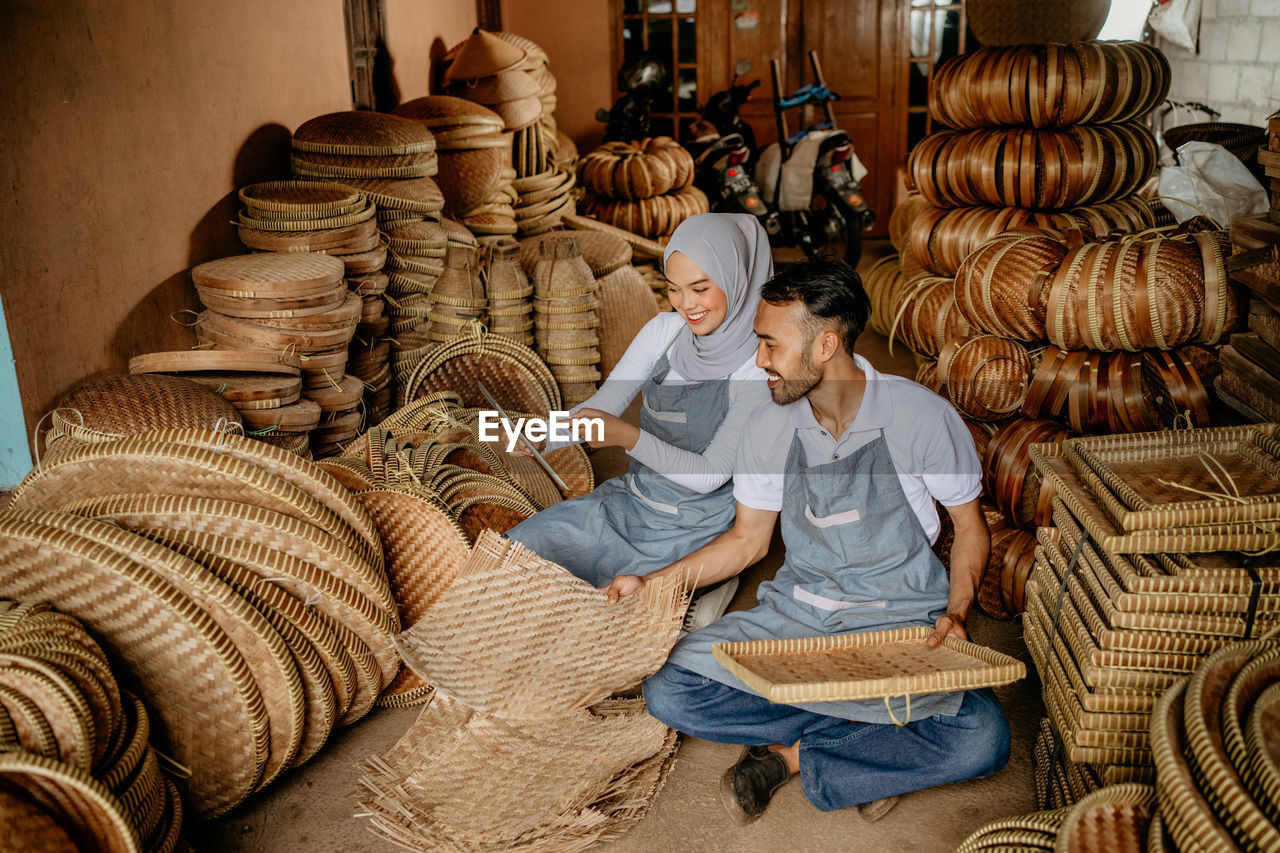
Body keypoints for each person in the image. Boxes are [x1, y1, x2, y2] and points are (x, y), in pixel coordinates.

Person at [607, 257, 1009, 823]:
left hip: (893, 621)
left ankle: (794, 756)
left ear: (825, 345)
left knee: (981, 736)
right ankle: (871, 739)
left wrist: (958, 610)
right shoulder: (767, 426)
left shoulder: (920, 417)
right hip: (798, 617)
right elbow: (748, 540)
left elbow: (969, 527)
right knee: (671, 689)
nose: (759, 360)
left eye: (771, 344)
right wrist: (649, 584)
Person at [506, 213, 773, 623]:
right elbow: (607, 403)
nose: (686, 304)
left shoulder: (757, 366)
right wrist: (546, 435)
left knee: (602, 612)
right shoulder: (665, 332)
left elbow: (711, 475)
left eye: (700, 288)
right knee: (515, 556)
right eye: (674, 289)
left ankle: (702, 587)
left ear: (737, 278)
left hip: (692, 530)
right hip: (630, 502)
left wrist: (628, 438)